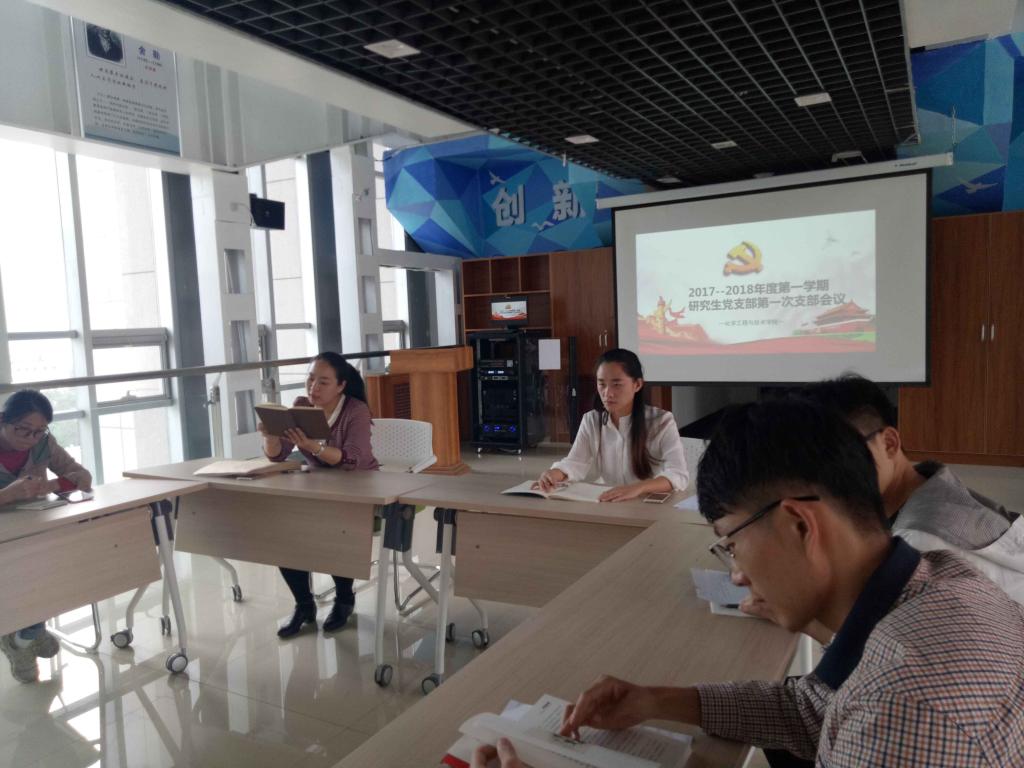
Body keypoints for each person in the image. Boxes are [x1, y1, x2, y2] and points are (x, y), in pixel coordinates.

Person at [481, 399, 1024, 766]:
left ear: (799, 524)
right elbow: (817, 709)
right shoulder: (940, 577)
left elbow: (868, 713)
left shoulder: (907, 711)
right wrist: (656, 700)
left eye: (733, 543)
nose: (738, 574)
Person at [260, 352, 379, 638]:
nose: (313, 387)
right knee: (283, 531)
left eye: (323, 382)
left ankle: (344, 599)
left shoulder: (355, 411)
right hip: (318, 486)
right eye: (310, 379)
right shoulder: (302, 406)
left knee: (334, 530)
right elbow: (278, 456)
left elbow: (352, 459)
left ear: (341, 386)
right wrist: (270, 436)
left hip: (360, 486)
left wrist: (313, 447)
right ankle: (304, 605)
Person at [0, 390, 93, 683]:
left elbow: (83, 477)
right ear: (3, 420)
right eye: (23, 430)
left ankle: (30, 629)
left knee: (51, 569)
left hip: (33, 527)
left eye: (39, 431)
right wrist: (7, 495)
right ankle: (19, 637)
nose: (31, 438)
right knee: (19, 575)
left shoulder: (44, 443)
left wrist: (52, 484)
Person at [536, 348, 688, 501]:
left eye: (617, 384)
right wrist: (554, 474)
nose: (607, 393)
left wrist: (638, 488)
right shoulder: (592, 420)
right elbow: (575, 462)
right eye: (602, 384)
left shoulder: (661, 421)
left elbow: (678, 474)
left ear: (637, 384)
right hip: (609, 500)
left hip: (648, 502)